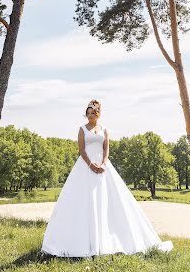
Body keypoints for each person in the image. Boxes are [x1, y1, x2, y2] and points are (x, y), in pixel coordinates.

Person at [40, 99, 174, 257]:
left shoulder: (104, 129)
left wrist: (103, 164)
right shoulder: (82, 129)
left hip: (104, 167)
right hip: (85, 166)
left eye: (92, 113)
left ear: (98, 114)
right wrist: (91, 165)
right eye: (87, 114)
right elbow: (81, 150)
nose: (89, 116)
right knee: (85, 201)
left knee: (109, 200)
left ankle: (109, 240)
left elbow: (106, 148)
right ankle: (82, 242)